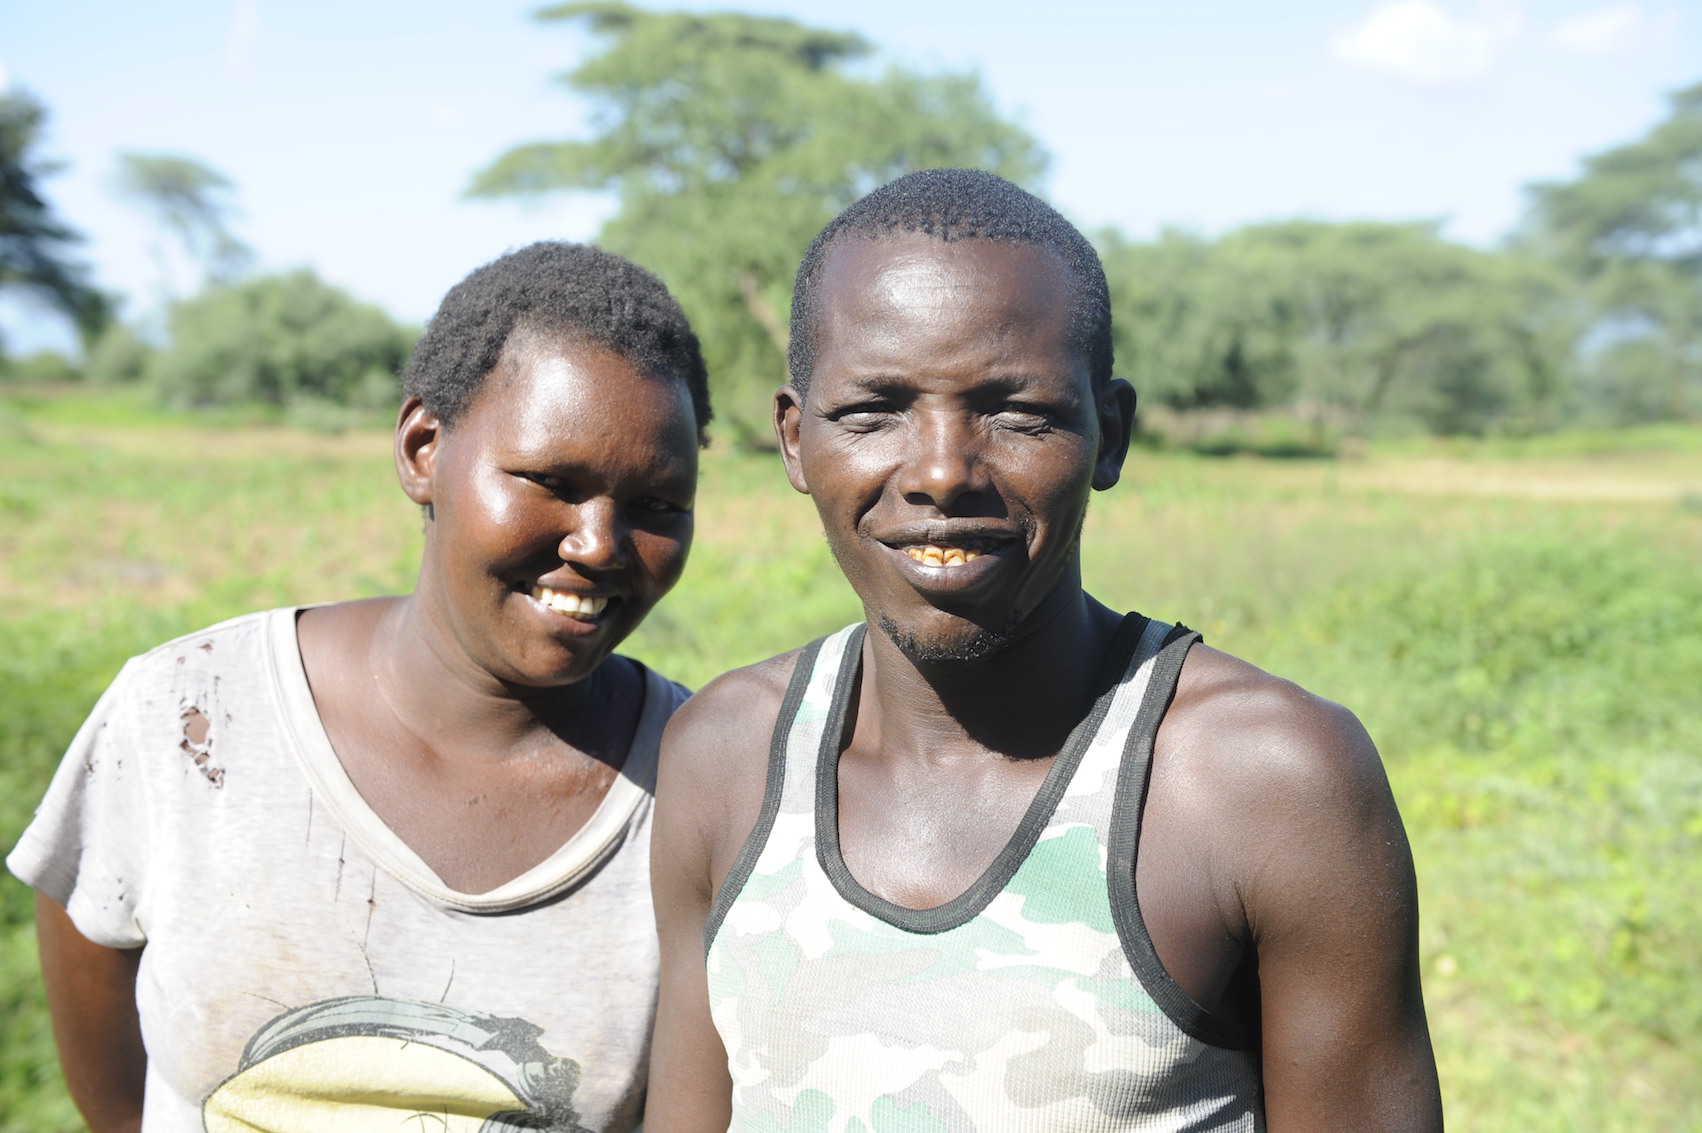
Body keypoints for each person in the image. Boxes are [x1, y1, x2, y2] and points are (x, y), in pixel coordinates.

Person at [645, 169, 1443, 1132]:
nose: (942, 470)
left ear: (1110, 435)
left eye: (1018, 412)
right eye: (873, 411)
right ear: (793, 438)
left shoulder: (1264, 783)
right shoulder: (726, 755)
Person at [8, 241, 713, 1133]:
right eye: (552, 483)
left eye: (659, 504)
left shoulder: (700, 777)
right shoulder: (192, 717)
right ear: (423, 448)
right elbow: (113, 1082)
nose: (600, 544)